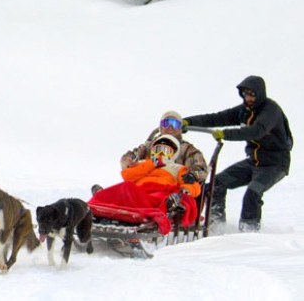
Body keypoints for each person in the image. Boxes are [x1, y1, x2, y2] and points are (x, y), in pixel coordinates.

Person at [184, 75, 293, 232]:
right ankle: (216, 225)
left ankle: (248, 233)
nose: (248, 98)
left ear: (260, 94)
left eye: (252, 95)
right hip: (253, 162)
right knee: (217, 183)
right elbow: (217, 118)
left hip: (275, 165)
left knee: (253, 193)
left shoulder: (270, 110)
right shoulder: (244, 111)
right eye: (245, 94)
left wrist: (225, 134)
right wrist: (188, 121)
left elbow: (256, 131)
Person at [89, 134, 202, 234]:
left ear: (173, 154)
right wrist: (152, 164)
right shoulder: (144, 164)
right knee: (126, 187)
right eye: (158, 149)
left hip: (161, 191)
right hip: (139, 191)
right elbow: (128, 176)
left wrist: (186, 190)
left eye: (166, 151)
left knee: (160, 198)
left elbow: (192, 185)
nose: (161, 153)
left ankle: (166, 207)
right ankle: (100, 200)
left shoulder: (179, 168)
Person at [121, 111, 208, 183]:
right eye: (166, 123)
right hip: (145, 183)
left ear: (180, 129)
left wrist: (193, 175)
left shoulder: (188, 150)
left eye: (175, 124)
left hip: (172, 187)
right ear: (160, 128)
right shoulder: (149, 146)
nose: (170, 127)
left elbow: (201, 168)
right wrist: (129, 161)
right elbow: (134, 156)